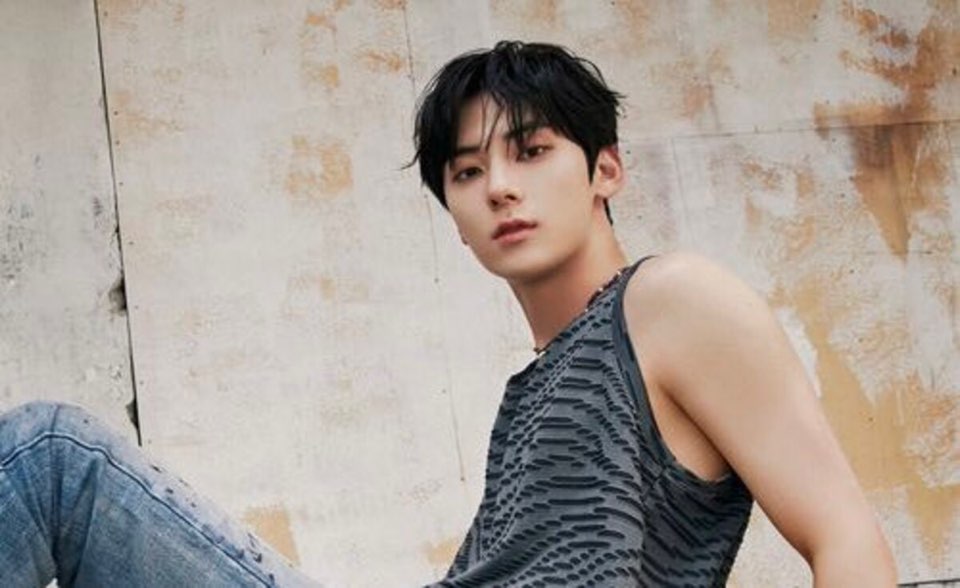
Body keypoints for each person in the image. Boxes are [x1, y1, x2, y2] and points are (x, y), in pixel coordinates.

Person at [0, 41, 895, 587]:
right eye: (467, 172)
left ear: (606, 171)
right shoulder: (537, 384)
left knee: (52, 462)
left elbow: (846, 538)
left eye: (531, 151)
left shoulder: (672, 299)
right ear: (455, 218)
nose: (498, 185)